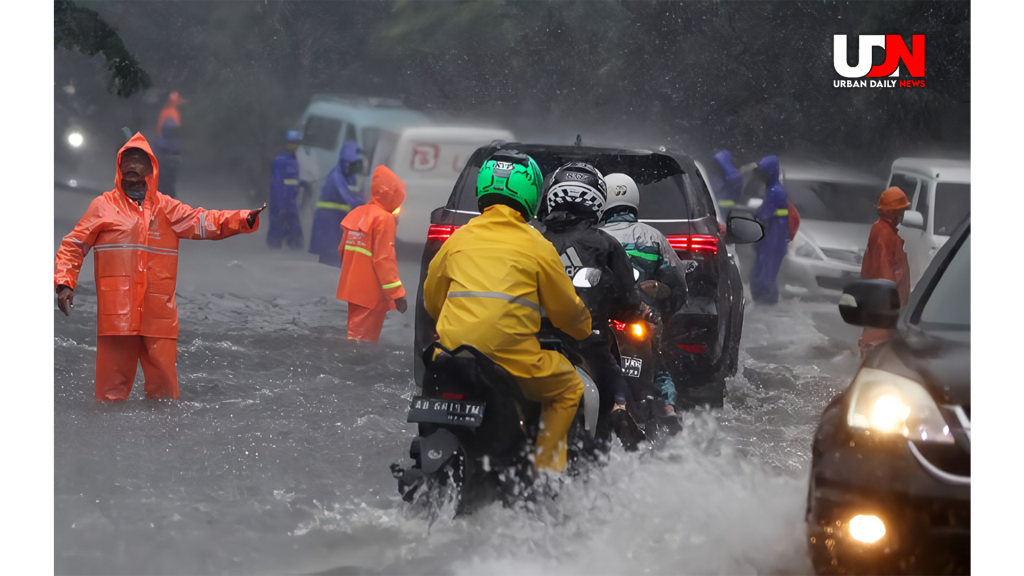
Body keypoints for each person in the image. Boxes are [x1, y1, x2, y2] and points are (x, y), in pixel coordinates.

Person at [53, 133, 265, 401]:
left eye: (138, 161)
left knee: (165, 396)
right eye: (126, 160)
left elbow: (204, 221)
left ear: (151, 169)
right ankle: (109, 440)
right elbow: (74, 245)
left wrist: (243, 218)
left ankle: (162, 440)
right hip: (118, 314)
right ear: (118, 167)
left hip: (158, 314)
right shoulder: (102, 207)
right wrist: (64, 283)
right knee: (109, 396)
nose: (131, 165)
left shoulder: (167, 209)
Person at [422, 150, 592, 473]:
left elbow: (432, 302)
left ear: (483, 188)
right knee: (570, 387)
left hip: (449, 359)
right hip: (510, 362)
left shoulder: (457, 240)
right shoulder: (538, 245)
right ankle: (544, 474)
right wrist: (584, 328)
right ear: (531, 193)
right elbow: (567, 314)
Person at [539, 162, 645, 449]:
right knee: (617, 388)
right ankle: (616, 434)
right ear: (597, 199)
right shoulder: (606, 245)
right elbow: (629, 301)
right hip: (585, 344)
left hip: (526, 339)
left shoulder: (531, 237)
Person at [599, 173, 688, 414]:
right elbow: (678, 283)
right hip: (643, 320)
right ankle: (670, 414)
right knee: (657, 367)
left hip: (601, 321)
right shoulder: (654, 237)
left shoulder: (595, 236)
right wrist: (664, 313)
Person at [336, 165, 407, 342]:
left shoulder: (357, 213)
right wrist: (397, 294)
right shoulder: (384, 218)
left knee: (355, 334)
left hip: (352, 288)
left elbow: (342, 249)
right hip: (371, 292)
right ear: (394, 194)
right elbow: (384, 259)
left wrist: (353, 274)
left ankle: (350, 364)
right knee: (364, 342)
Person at [858, 187, 911, 356]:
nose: (902, 214)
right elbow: (884, 268)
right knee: (878, 343)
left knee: (880, 343)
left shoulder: (885, 232)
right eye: (901, 210)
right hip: (882, 304)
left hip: (881, 302)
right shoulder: (883, 234)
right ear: (894, 211)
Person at [310, 140, 364, 266]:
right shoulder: (336, 176)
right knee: (330, 257)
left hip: (337, 220)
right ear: (345, 162)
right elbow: (348, 199)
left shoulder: (349, 177)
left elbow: (356, 195)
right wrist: (364, 208)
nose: (354, 167)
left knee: (337, 255)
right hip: (328, 221)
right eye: (352, 164)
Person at [750, 155, 789, 305]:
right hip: (771, 236)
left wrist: (756, 217)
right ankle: (764, 301)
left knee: (766, 273)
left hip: (773, 237)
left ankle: (766, 302)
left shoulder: (775, 192)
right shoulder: (773, 190)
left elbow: (765, 214)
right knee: (764, 271)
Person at [266, 130, 305, 249]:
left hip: (291, 203)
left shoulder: (294, 160)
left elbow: (292, 181)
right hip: (281, 204)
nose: (295, 145)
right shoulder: (281, 160)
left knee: (295, 236)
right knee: (276, 233)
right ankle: (273, 258)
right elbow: (277, 184)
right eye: (292, 143)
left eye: (297, 143)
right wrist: (281, 205)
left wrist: (303, 184)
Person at [154, 91, 184, 198]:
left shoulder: (169, 111)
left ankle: (166, 195)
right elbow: (169, 129)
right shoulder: (170, 112)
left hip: (164, 147)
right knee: (166, 175)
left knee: (167, 175)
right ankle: (166, 196)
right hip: (164, 148)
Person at [711, 150, 743, 218]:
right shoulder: (715, 179)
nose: (715, 167)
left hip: (727, 214)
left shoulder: (732, 178)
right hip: (717, 214)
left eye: (717, 164)